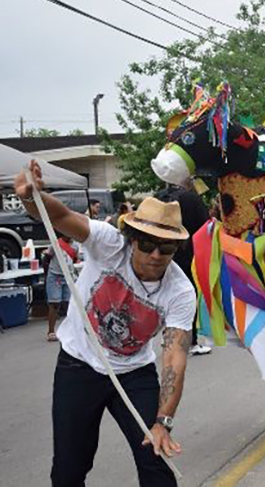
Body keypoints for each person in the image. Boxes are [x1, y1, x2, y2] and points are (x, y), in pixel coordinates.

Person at [15, 160, 195, 487]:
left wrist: (162, 423)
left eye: (166, 248)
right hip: (79, 365)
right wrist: (32, 197)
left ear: (175, 250)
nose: (156, 255)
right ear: (132, 238)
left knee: (154, 459)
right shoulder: (108, 242)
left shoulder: (180, 291)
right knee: (69, 467)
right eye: (147, 244)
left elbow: (174, 359)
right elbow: (60, 217)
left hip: (134, 374)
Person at [156, 182, 212, 356]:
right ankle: (190, 340)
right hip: (189, 254)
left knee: (162, 294)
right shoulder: (192, 199)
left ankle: (167, 335)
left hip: (160, 253)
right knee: (187, 295)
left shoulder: (158, 197)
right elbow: (205, 227)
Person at [42, 235, 79, 342]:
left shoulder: (75, 246)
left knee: (68, 304)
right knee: (54, 304)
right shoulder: (55, 244)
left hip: (68, 276)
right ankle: (51, 331)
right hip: (55, 276)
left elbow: (74, 259)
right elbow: (46, 259)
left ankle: (71, 330)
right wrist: (46, 275)